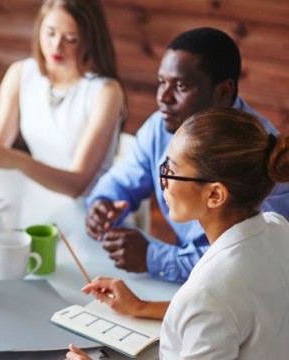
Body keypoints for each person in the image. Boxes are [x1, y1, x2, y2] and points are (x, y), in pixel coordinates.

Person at [67, 108, 289, 359]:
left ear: (214, 195)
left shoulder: (209, 293)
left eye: (170, 172)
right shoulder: (278, 228)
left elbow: (213, 307)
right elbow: (231, 314)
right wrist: (141, 307)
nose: (163, 182)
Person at [84, 27, 289, 282]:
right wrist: (102, 202)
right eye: (162, 82)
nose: (163, 97)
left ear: (224, 91)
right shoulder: (160, 126)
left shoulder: (260, 154)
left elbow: (249, 261)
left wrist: (154, 257)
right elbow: (124, 177)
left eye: (180, 86)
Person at [0, 0, 124, 198]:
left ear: (90, 41)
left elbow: (77, 185)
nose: (57, 46)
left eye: (71, 39)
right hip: (38, 196)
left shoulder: (106, 92)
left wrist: (17, 161)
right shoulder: (21, 73)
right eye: (50, 33)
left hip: (92, 207)